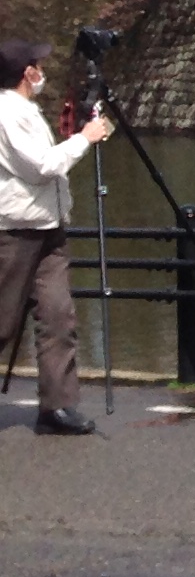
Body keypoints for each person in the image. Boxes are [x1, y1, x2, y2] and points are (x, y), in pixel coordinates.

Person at [0, 40, 113, 434]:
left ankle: (57, 407)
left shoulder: (25, 110)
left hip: (47, 228)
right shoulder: (6, 112)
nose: (42, 69)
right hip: (13, 231)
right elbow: (42, 167)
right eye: (37, 64)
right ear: (26, 73)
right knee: (2, 322)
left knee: (57, 316)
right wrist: (85, 138)